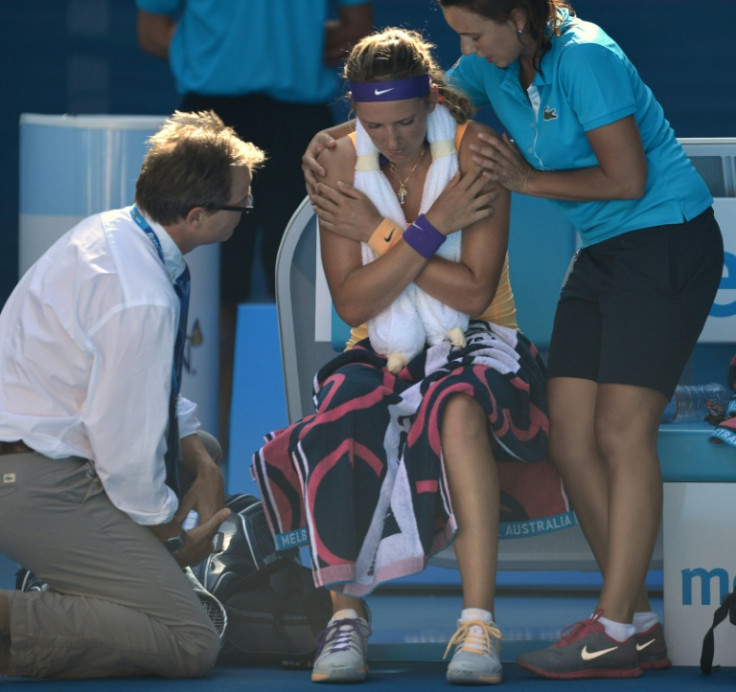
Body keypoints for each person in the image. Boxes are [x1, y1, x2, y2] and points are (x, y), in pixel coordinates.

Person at [304, 0, 725, 681]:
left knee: (622, 434)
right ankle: (638, 620)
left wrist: (521, 179)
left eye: (473, 32)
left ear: (521, 19)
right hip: (603, 250)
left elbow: (628, 180)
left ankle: (614, 622)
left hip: (667, 239)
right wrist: (320, 145)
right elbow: (400, 110)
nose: (463, 49)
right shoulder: (487, 66)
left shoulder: (586, 57)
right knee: (570, 436)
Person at [252, 27, 571, 685]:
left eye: (405, 122)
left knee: (456, 405)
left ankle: (477, 622)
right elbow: (352, 302)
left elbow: (474, 290)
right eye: (375, 125)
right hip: (375, 349)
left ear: (431, 99)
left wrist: (378, 233)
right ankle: (345, 619)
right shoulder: (334, 160)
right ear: (352, 112)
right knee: (344, 408)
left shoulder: (478, 154)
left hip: (483, 339)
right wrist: (430, 229)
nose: (394, 140)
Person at [0, 110, 265, 680]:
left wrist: (199, 458)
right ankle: (21, 612)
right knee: (188, 638)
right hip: (37, 480)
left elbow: (148, 397)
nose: (247, 215)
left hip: (34, 458)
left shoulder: (116, 231)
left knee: (205, 444)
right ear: (197, 216)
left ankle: (93, 580)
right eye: (242, 207)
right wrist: (173, 537)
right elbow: (124, 452)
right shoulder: (142, 295)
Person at [136, 0, 373, 450]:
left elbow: (358, 26)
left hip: (300, 123)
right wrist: (229, 55)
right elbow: (150, 31)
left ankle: (316, 453)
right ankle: (206, 453)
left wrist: (282, 52)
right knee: (209, 296)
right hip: (210, 124)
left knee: (317, 299)